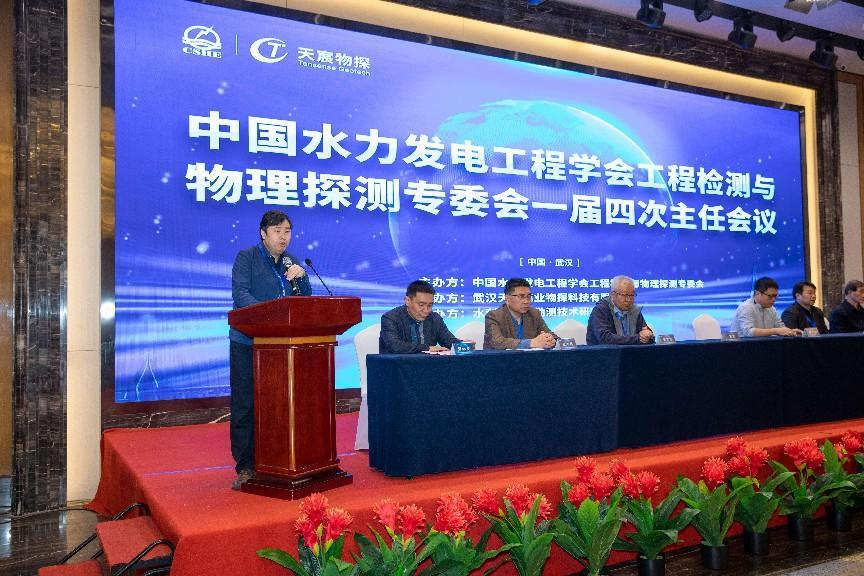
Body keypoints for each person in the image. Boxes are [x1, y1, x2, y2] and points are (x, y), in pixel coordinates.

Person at [229, 210, 311, 490]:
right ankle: (245, 466)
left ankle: (279, 459)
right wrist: (272, 316)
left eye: (287, 231)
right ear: (263, 233)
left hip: (281, 348)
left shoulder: (291, 261)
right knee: (246, 406)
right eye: (277, 231)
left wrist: (303, 278)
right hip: (247, 344)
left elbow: (304, 301)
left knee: (280, 405)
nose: (283, 237)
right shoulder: (247, 258)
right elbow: (241, 295)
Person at [379, 280, 461, 353]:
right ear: (407, 301)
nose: (426, 310)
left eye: (430, 305)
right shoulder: (390, 318)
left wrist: (463, 345)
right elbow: (395, 346)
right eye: (421, 305)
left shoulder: (435, 318)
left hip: (427, 364)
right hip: (397, 364)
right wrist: (427, 348)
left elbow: (449, 341)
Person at [484, 278, 557, 349]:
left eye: (528, 296)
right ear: (507, 298)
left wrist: (550, 340)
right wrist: (531, 343)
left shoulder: (534, 314)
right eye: (521, 296)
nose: (526, 301)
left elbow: (551, 335)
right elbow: (497, 343)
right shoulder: (494, 316)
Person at [586, 275, 654, 345]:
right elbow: (605, 339)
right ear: (613, 295)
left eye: (631, 295)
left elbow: (649, 337)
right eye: (625, 295)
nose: (628, 300)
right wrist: (637, 338)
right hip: (604, 352)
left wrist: (648, 335)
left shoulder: (634, 310)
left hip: (632, 351)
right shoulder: (601, 310)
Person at [730, 276, 802, 337]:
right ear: (757, 293)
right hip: (741, 347)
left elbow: (781, 327)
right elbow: (749, 332)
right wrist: (775, 331)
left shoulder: (772, 309)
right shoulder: (746, 307)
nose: (774, 300)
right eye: (770, 296)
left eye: (775, 296)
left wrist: (791, 331)